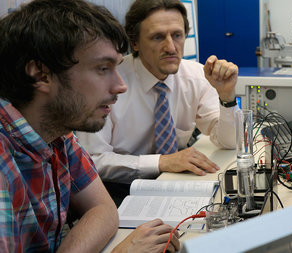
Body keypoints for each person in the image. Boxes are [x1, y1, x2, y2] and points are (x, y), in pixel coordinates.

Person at [0, 0, 179, 252]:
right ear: (40, 74)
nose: (120, 85)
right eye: (102, 68)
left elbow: (103, 209)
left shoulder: (58, 133)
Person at [77, 0, 239, 198]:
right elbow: (93, 160)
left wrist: (227, 96)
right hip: (121, 188)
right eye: (157, 37)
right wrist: (161, 162)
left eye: (177, 35)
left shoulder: (196, 76)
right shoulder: (109, 82)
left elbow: (229, 142)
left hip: (177, 180)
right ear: (135, 43)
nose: (171, 47)